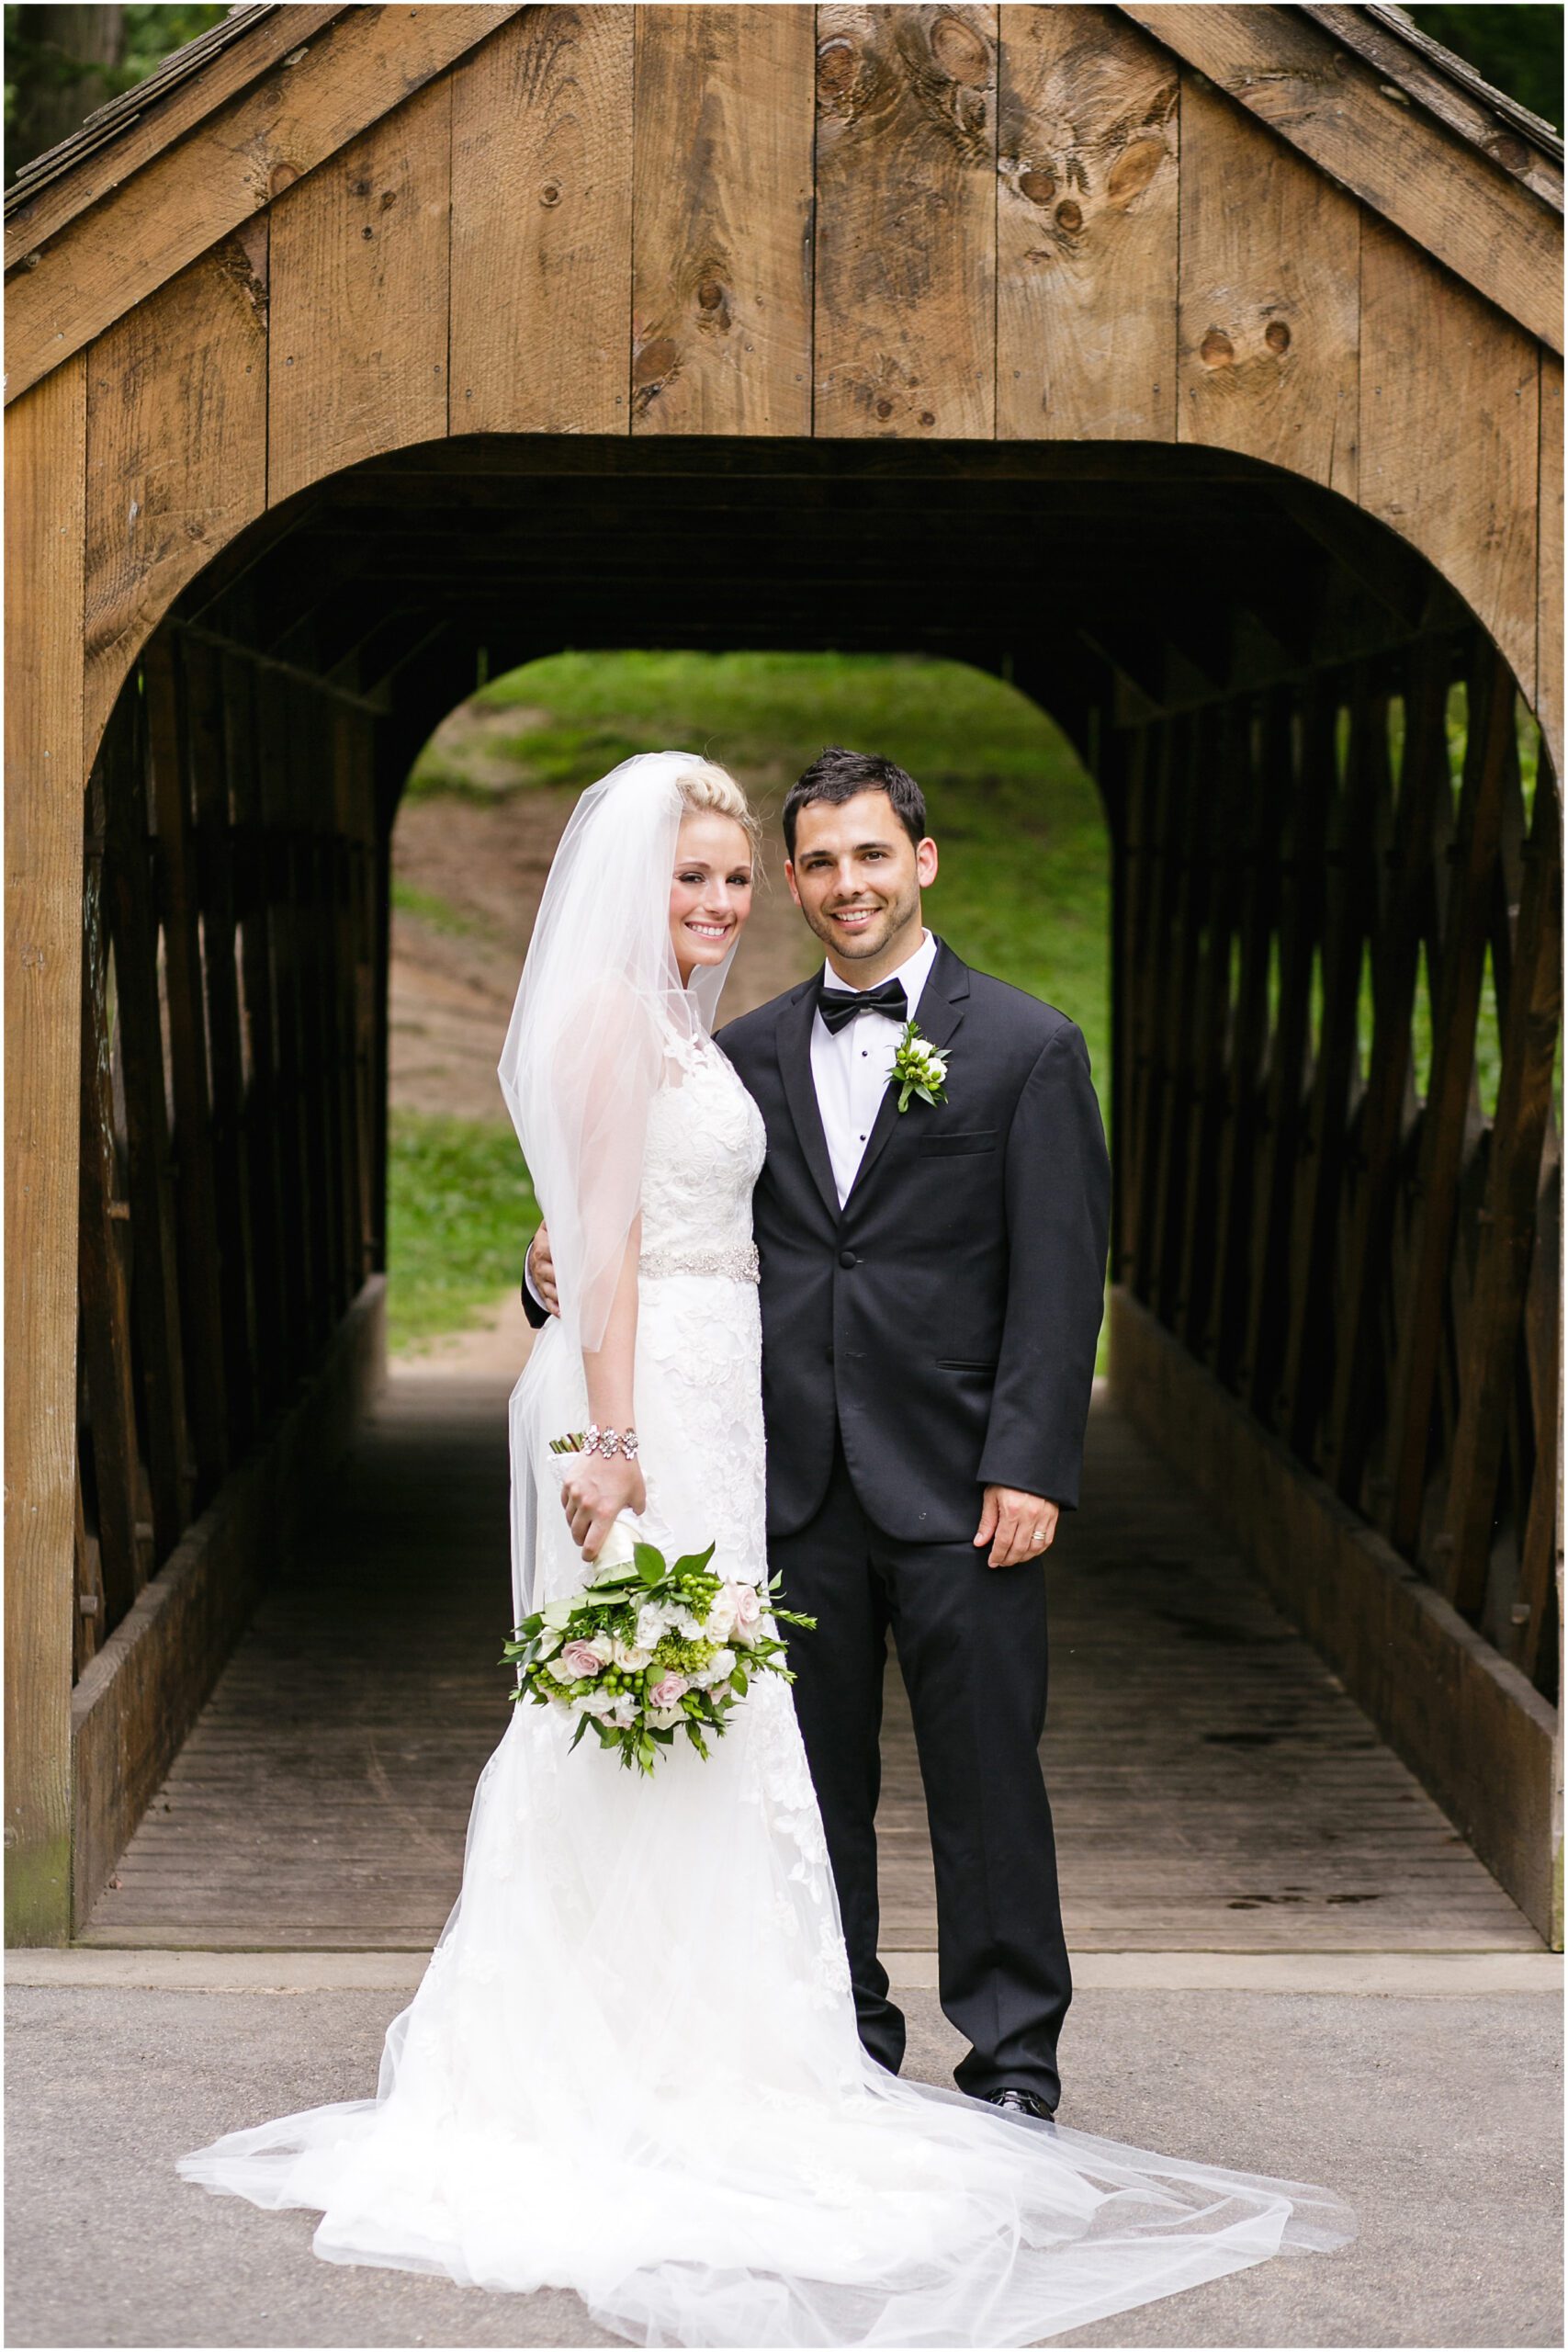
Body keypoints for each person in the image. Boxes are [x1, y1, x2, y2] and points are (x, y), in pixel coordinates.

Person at [179, 752, 1354, 2345]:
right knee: (802, 1774)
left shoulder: (1025, 1047)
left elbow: (1061, 1275)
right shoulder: (728, 1050)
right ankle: (841, 2039)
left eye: (866, 857)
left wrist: (1033, 1460)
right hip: (773, 1477)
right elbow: (619, 1223)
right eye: (808, 865)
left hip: (959, 1485)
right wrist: (547, 1292)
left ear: (923, 862)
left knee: (987, 1769)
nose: (836, 886)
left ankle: (1012, 2066)